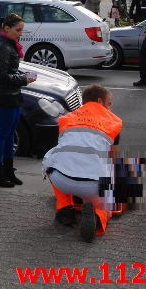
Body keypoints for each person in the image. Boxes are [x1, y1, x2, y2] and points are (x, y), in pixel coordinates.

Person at [41, 84, 122, 242]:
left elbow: (65, 147)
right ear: (100, 101)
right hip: (92, 185)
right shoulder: (114, 121)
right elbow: (111, 156)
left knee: (53, 158)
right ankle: (98, 216)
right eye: (109, 103)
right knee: (108, 190)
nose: (110, 107)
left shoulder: (66, 119)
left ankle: (64, 209)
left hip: (62, 179)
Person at [0, 13, 36, 188]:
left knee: (9, 135)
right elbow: (1, 76)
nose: (21, 33)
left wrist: (22, 77)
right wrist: (24, 79)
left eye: (22, 30)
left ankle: (7, 170)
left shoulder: (7, 45)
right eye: (18, 30)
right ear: (6, 29)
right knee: (2, 135)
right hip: (4, 96)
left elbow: (7, 72)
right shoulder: (2, 47)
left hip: (12, 95)